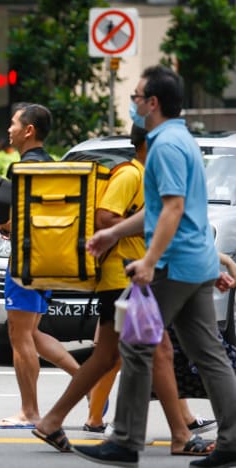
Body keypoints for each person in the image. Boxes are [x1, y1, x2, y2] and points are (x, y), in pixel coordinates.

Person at [73, 65, 236, 468]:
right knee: (208, 353)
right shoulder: (181, 139)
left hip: (173, 266)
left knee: (135, 342)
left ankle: (126, 441)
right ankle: (232, 441)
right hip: (192, 263)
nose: (133, 101)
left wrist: (147, 260)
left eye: (137, 95)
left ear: (153, 103)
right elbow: (158, 210)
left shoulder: (164, 145)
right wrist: (112, 235)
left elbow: (173, 209)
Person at [32, 124, 215, 456]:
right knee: (158, 351)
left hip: (127, 277)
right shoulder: (131, 174)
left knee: (106, 357)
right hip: (122, 277)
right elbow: (104, 216)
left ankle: (51, 421)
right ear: (146, 145)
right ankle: (180, 436)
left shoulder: (147, 176)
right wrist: (138, 231)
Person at [0, 103, 80, 428]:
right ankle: (88, 380)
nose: (9, 130)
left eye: (14, 124)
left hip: (26, 261)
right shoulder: (54, 166)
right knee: (32, 332)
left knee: (19, 334)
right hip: (49, 258)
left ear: (29, 130)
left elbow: (21, 220)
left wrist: (5, 225)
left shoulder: (25, 169)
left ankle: (29, 410)